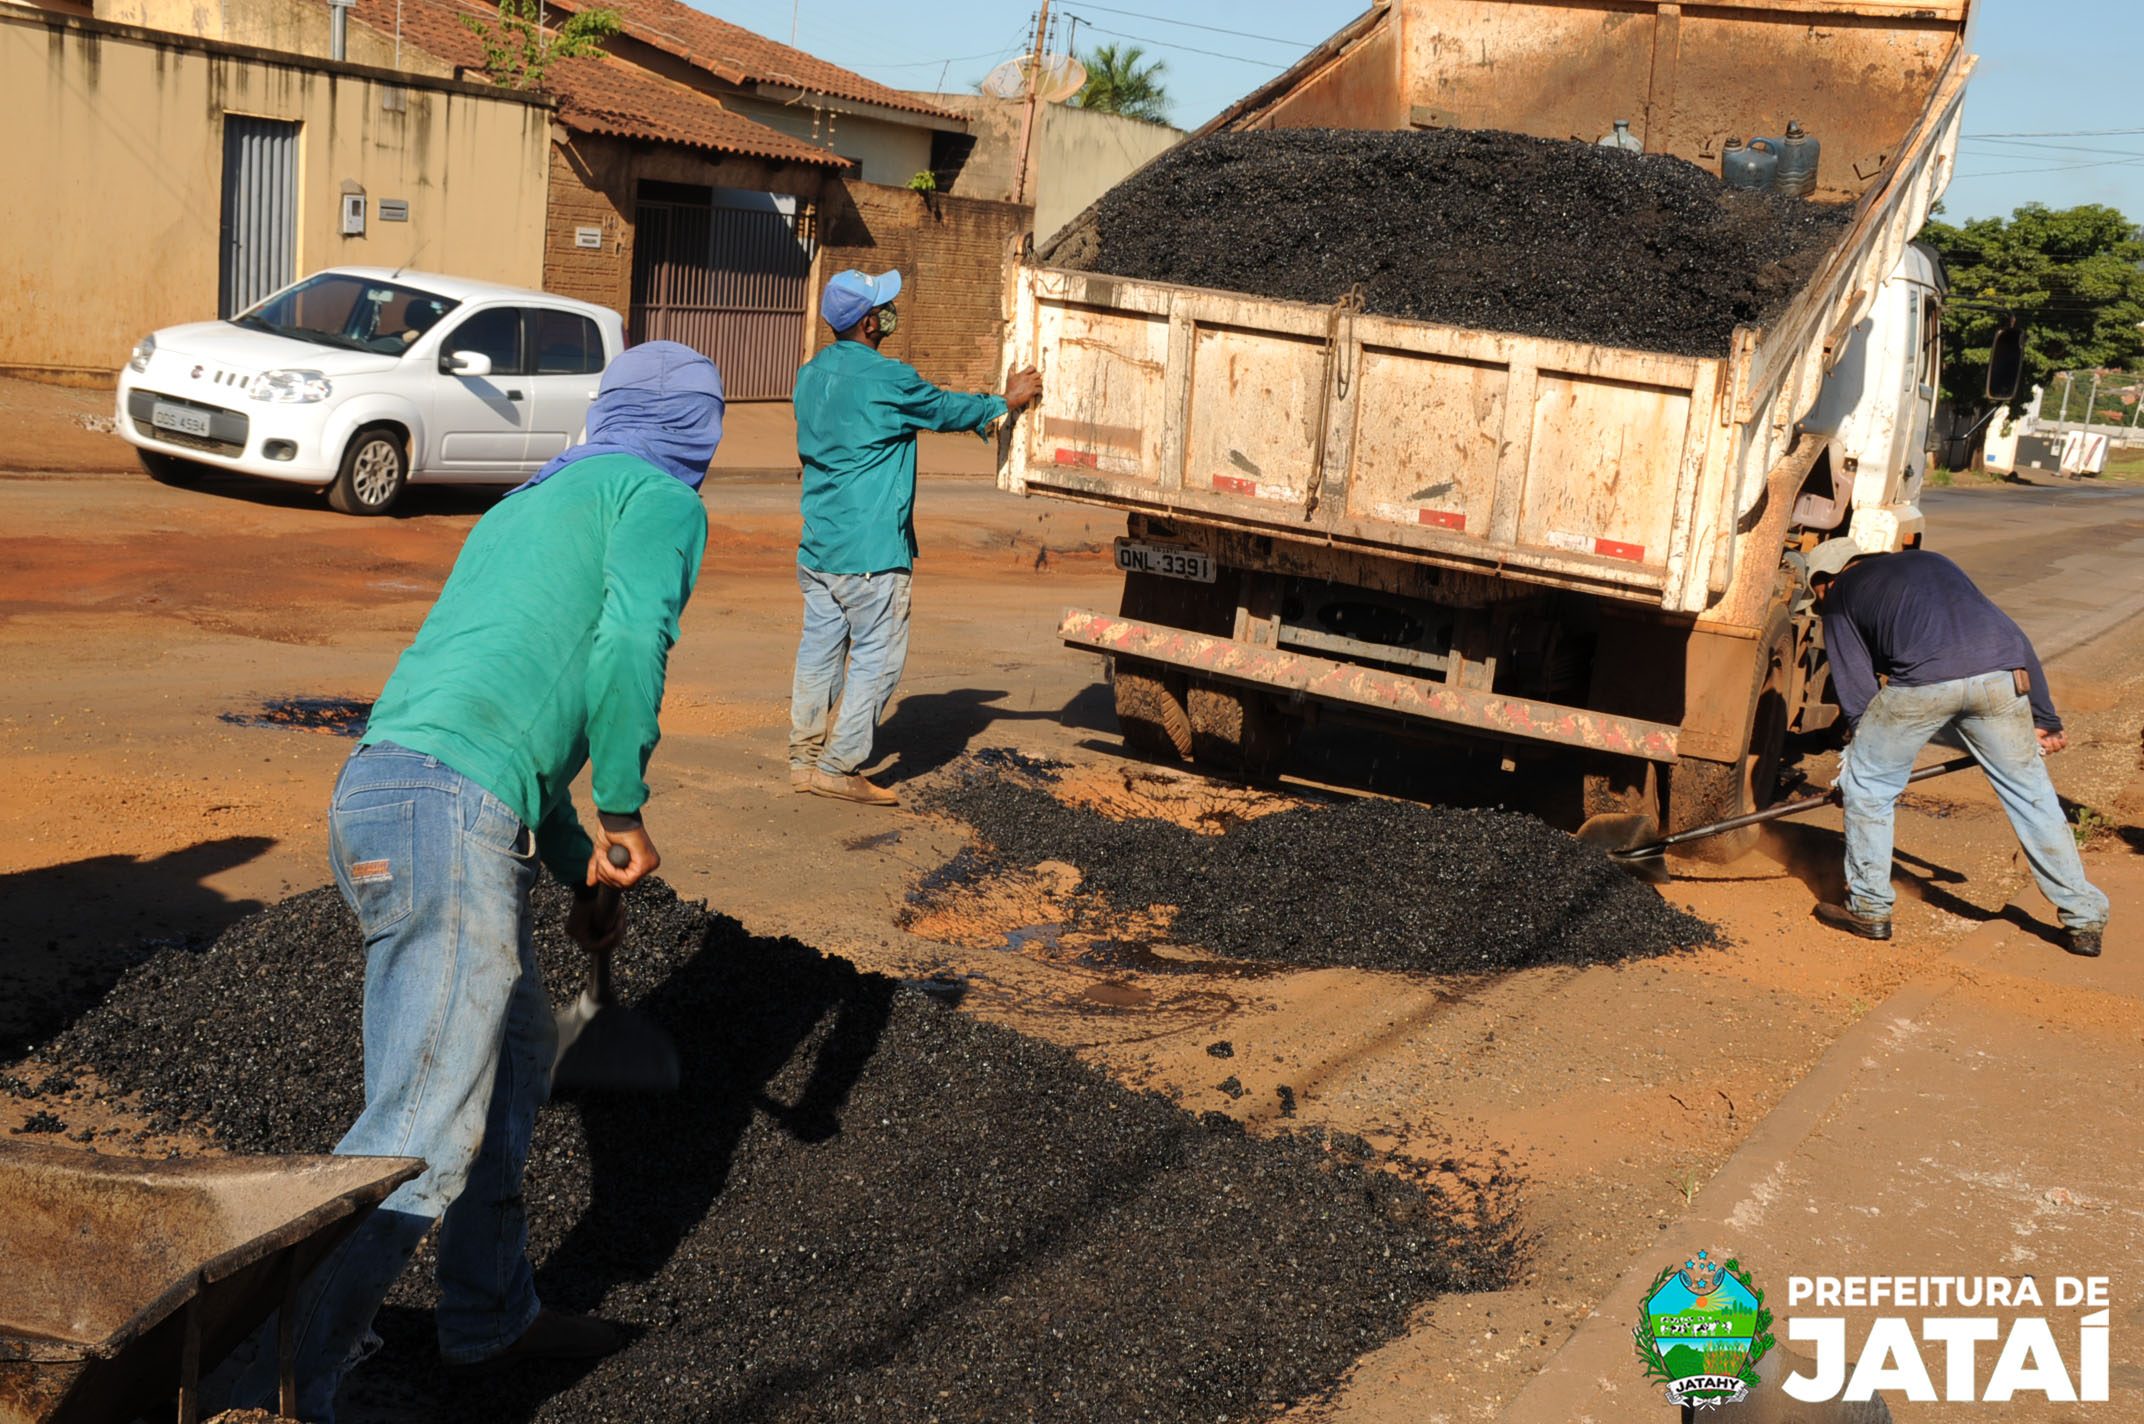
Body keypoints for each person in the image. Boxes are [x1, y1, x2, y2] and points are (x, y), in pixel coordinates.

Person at [228, 341, 722, 1420]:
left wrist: (568, 856)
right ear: (695, 431)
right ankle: (267, 1380)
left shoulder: (526, 504)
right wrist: (626, 807)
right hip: (445, 810)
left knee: (514, 1055)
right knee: (422, 1125)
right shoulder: (657, 499)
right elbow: (630, 643)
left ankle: (490, 1311)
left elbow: (500, 721)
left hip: (393, 792)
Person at [786, 268, 1041, 806]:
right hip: (871, 550)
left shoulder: (810, 375)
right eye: (882, 306)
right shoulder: (888, 378)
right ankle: (838, 766)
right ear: (868, 321)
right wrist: (1005, 401)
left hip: (819, 546)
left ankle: (803, 759)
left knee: (820, 651)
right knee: (877, 656)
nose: (888, 314)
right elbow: (945, 409)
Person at [1807, 539, 2107, 955]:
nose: (1820, 604)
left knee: (1869, 791)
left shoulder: (1839, 596)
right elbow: (2015, 637)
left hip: (1922, 683)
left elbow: (1856, 692)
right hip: (2001, 680)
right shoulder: (1934, 562)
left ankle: (1869, 909)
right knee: (2032, 796)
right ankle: (2084, 919)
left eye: (1816, 596)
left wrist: (1862, 759)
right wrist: (2046, 720)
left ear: (1824, 581)